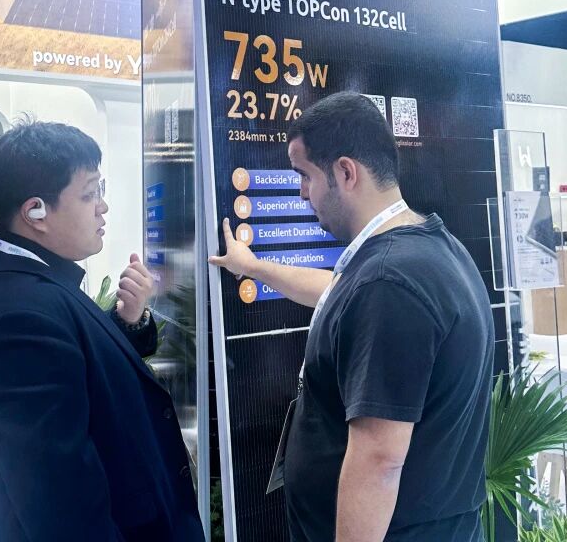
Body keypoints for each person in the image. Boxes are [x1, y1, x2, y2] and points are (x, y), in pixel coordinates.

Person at [210, 92, 493, 541]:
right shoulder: (420, 252)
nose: (302, 192)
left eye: (305, 175)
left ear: (345, 172)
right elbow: (336, 294)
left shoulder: (388, 283)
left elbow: (379, 462)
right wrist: (254, 267)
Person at [0, 122, 201, 541]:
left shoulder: (28, 285)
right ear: (36, 212)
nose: (103, 207)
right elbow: (62, 507)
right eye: (89, 194)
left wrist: (128, 322)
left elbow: (78, 372)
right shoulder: (15, 318)